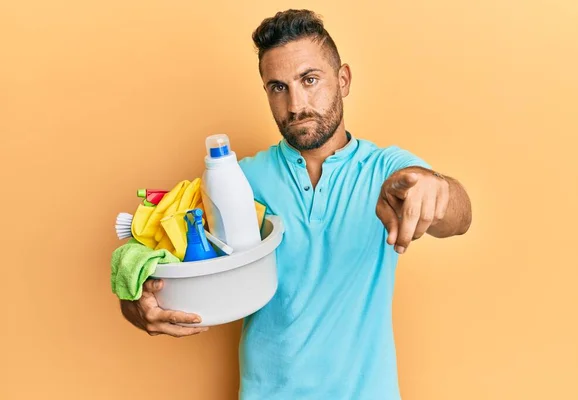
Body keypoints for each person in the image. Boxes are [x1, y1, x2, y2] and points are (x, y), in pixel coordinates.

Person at [119, 9, 472, 400]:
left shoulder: (385, 170)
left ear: (343, 80)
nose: (295, 104)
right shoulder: (239, 180)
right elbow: (162, 257)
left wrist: (435, 188)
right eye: (277, 87)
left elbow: (458, 216)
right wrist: (135, 302)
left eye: (309, 80)